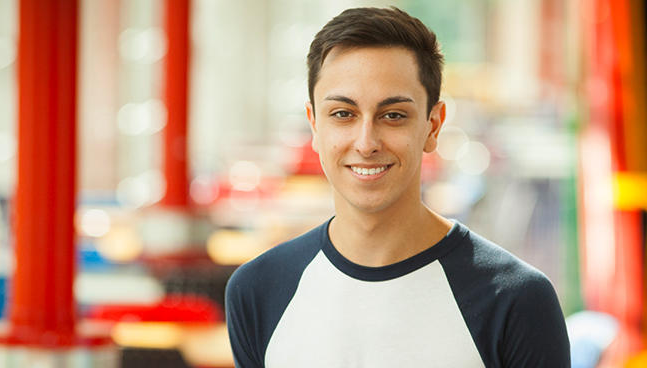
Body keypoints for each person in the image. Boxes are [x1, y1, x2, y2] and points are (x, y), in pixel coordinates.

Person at [224, 7, 570, 367]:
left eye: (393, 115)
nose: (366, 142)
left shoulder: (515, 300)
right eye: (343, 113)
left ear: (433, 126)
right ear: (314, 125)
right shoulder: (258, 291)